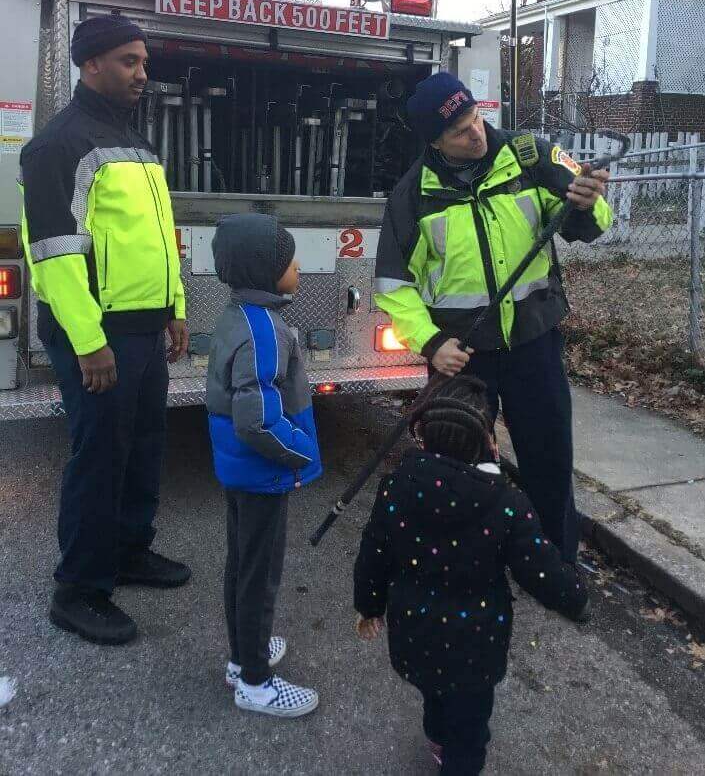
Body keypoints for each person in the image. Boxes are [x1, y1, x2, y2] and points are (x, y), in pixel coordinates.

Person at [374, 72, 613, 563]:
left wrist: (589, 204)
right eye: (460, 130)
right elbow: (393, 287)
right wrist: (431, 341)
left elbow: (582, 226)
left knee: (549, 459)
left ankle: (556, 564)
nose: (476, 133)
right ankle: (471, 562)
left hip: (534, 343)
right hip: (462, 358)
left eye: (475, 118)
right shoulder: (411, 197)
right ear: (434, 141)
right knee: (460, 465)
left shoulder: (530, 157)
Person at [19, 14, 190, 646]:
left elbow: (157, 241)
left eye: (143, 62)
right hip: (100, 336)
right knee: (100, 456)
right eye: (128, 62)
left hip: (145, 329)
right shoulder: (57, 147)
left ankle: (128, 551)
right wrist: (89, 342)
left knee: (144, 445)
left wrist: (174, 306)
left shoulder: (137, 144)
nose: (142, 74)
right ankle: (80, 588)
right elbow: (56, 255)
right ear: (90, 65)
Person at [354, 374, 589, 774]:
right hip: (475, 647)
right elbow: (541, 570)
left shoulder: (396, 488)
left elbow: (374, 552)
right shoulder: (506, 502)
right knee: (470, 730)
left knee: (434, 695)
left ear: (422, 435)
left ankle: (437, 739)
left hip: (414, 634)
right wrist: (576, 594)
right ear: (487, 441)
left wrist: (368, 606)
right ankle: (455, 758)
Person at [206, 213, 322, 718]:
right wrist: (302, 452)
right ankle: (255, 681)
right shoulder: (262, 330)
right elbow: (257, 422)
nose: (297, 265)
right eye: (287, 259)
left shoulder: (239, 315)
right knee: (260, 575)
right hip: (261, 472)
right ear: (263, 272)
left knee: (242, 566)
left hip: (241, 471)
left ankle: (242, 656)